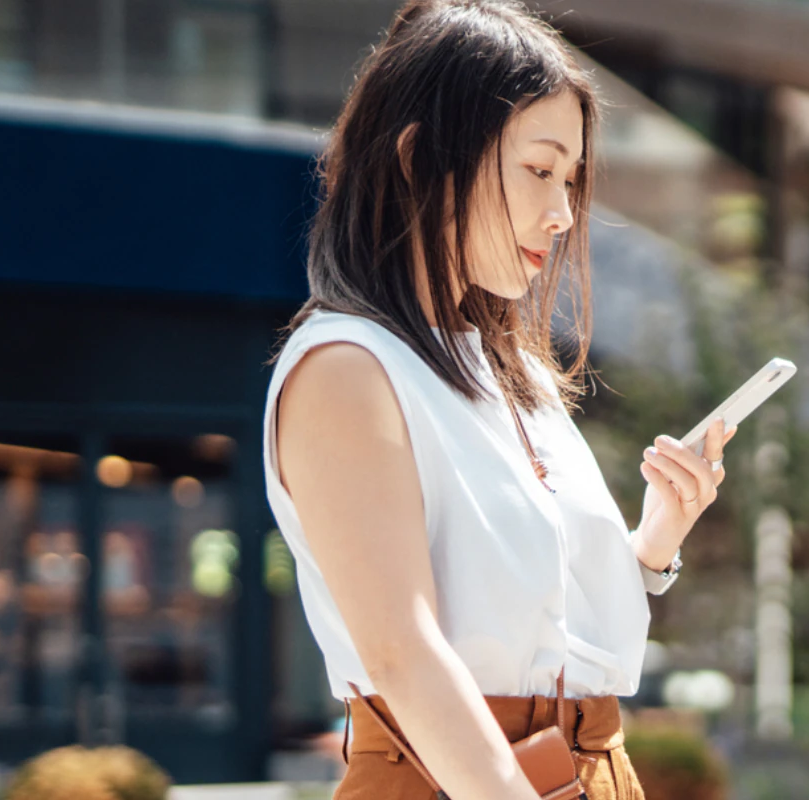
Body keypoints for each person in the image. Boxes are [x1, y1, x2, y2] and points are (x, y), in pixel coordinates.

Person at [262, 2, 735, 797]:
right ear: (417, 159)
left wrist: (651, 546)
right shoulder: (348, 369)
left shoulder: (507, 370)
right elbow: (401, 654)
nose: (561, 215)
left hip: (588, 769)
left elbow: (546, 630)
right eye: (539, 170)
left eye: (571, 181)